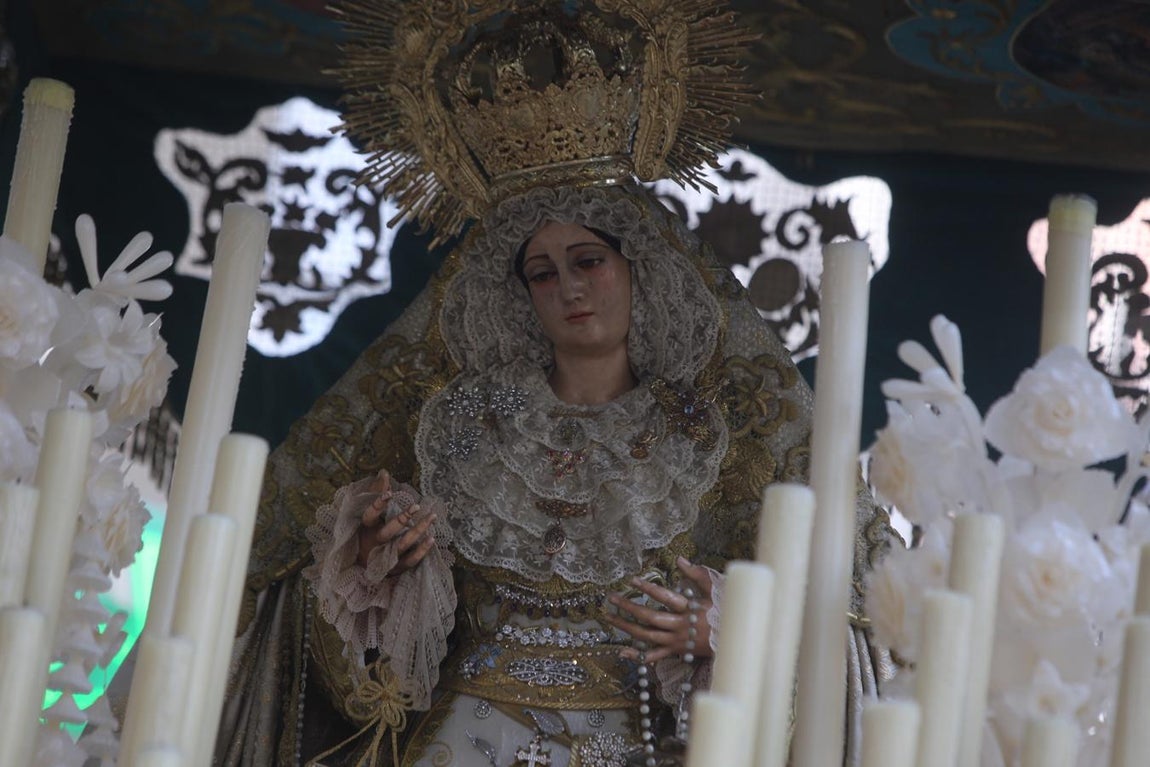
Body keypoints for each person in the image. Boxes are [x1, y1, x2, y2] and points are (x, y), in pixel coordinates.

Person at [216, 3, 890, 766]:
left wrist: (730, 634)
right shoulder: (461, 431)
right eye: (541, 272)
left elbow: (823, 630)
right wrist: (378, 574)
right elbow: (364, 684)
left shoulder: (709, 439)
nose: (568, 287)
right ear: (519, 296)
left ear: (638, 268)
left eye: (589, 261)